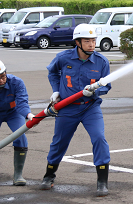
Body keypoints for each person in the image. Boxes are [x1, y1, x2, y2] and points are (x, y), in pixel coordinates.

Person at [40, 24, 112, 197]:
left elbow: (107, 85)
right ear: (78, 42)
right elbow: (52, 73)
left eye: (93, 40)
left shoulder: (102, 62)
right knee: (59, 143)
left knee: (99, 138)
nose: (91, 44)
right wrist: (56, 90)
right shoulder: (63, 58)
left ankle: (102, 182)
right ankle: (49, 175)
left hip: (90, 108)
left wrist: (95, 90)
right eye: (87, 41)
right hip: (66, 108)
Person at [0, 60, 35, 186]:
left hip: (13, 112)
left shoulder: (16, 82)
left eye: (3, 76)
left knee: (21, 136)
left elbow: (22, 103)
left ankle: (18, 175)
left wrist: (29, 115)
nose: (1, 80)